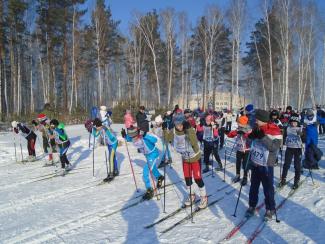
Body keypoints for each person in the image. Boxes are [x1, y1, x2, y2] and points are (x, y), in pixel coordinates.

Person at [163, 113, 208, 209]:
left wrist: (188, 130)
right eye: (176, 124)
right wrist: (164, 130)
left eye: (180, 124)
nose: (179, 126)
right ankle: (192, 195)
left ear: (184, 123)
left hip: (195, 157)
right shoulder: (174, 131)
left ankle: (204, 197)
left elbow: (194, 143)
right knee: (187, 178)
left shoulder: (189, 129)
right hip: (185, 158)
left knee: (197, 178)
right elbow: (166, 140)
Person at [245, 109, 282, 220]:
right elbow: (249, 143)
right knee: (253, 187)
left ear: (263, 120)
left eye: (257, 119)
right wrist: (250, 138)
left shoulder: (274, 129)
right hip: (255, 162)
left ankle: (270, 209)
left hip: (266, 165)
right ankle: (252, 205)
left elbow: (274, 147)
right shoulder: (257, 128)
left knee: (268, 189)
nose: (255, 121)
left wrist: (263, 137)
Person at [122, 126, 164, 200]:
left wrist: (145, 135)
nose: (133, 138)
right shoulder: (132, 137)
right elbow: (129, 139)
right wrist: (125, 136)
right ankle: (159, 177)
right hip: (147, 155)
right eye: (132, 136)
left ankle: (149, 189)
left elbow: (155, 140)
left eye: (134, 136)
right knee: (152, 168)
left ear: (137, 134)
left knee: (145, 172)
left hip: (153, 154)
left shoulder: (143, 137)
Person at [279, 113, 303, 189]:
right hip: (289, 148)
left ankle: (296, 181)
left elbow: (304, 138)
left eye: (295, 122)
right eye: (292, 122)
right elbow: (283, 135)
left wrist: (302, 134)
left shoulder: (300, 128)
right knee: (286, 164)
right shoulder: (287, 128)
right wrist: (281, 143)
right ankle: (283, 179)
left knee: (297, 166)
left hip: (297, 149)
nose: (293, 124)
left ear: (297, 122)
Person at [226, 115, 252, 186]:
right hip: (239, 149)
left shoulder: (249, 129)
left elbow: (251, 139)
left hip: (246, 150)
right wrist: (227, 132)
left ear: (243, 123)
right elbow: (232, 134)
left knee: (245, 164)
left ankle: (245, 177)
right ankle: (238, 175)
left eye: (239, 123)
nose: (237, 124)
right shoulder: (239, 128)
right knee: (238, 162)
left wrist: (244, 134)